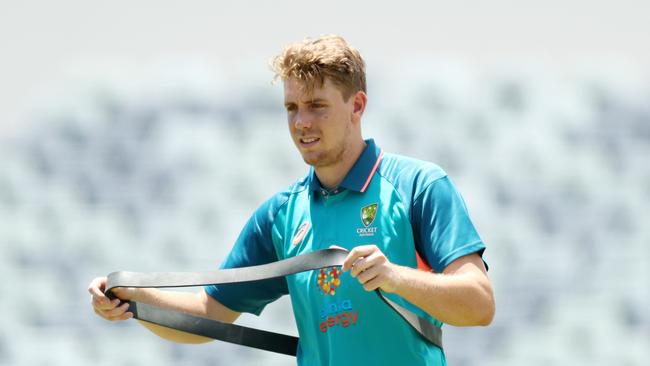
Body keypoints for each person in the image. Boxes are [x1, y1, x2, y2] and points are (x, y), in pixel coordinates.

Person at [88, 35, 495, 366]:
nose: (302, 122)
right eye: (292, 108)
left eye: (317, 106)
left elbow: (479, 304)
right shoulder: (281, 216)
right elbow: (210, 312)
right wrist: (133, 298)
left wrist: (393, 277)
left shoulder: (418, 186)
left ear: (357, 106)